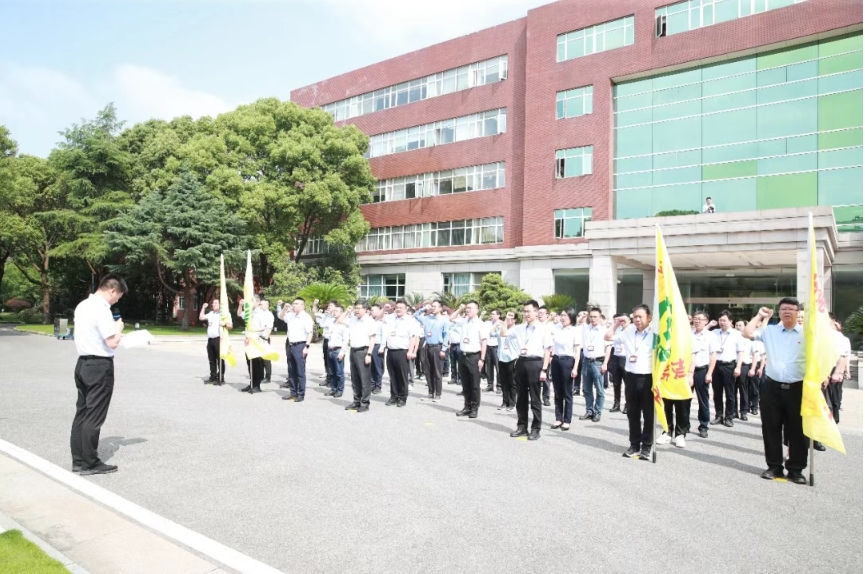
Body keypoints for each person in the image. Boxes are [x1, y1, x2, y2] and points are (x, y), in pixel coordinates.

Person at [742, 300, 808, 484]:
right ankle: (774, 466)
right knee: (771, 428)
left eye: (791, 309)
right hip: (772, 388)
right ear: (779, 312)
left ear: (797, 312)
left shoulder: (807, 334)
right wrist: (759, 315)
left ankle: (796, 469)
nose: (787, 311)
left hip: (798, 388)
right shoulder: (769, 331)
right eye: (783, 308)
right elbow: (746, 333)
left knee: (798, 430)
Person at [70, 274, 128, 475]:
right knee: (94, 415)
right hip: (99, 365)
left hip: (83, 363)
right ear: (112, 290)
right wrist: (118, 328)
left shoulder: (83, 305)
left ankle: (78, 460)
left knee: (82, 413)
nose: (117, 300)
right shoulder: (102, 309)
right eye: (118, 296)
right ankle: (90, 462)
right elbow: (112, 342)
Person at [606, 304, 655, 461]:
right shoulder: (628, 331)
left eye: (641, 316)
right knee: (632, 414)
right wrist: (616, 323)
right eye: (635, 317)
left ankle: (647, 447)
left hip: (648, 378)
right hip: (631, 377)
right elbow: (607, 337)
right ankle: (634, 444)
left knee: (648, 415)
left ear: (649, 318)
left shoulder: (655, 334)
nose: (637, 319)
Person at [509, 300, 552, 441]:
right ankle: (522, 426)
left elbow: (547, 350)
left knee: (535, 397)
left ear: (536, 312)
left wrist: (544, 369)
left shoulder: (543, 328)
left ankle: (535, 428)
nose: (526, 314)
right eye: (524, 311)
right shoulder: (520, 328)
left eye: (529, 311)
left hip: (535, 363)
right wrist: (507, 320)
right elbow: (503, 333)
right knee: (521, 397)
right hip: (521, 361)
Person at [706, 310, 743, 427]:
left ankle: (729, 417)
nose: (722, 322)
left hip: (729, 366)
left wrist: (738, 367)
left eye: (724, 320)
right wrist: (709, 325)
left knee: (730, 393)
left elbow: (741, 352)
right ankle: (718, 416)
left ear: (731, 321)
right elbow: (702, 333)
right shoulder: (714, 333)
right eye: (720, 320)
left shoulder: (736, 334)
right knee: (717, 393)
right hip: (716, 365)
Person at [454, 301, 489, 418]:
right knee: (465, 383)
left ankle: (474, 408)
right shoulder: (464, 321)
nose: (467, 310)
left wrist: (482, 359)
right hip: (463, 355)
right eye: (467, 308)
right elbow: (451, 318)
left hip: (474, 356)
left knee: (474, 384)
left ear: (477, 310)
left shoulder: (481, 324)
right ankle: (467, 406)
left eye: (470, 308)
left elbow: (484, 342)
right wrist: (460, 309)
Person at [384, 299, 421, 407]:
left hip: (402, 351)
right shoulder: (391, 318)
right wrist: (384, 308)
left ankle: (402, 397)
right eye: (397, 307)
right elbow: (378, 317)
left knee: (402, 376)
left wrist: (411, 351)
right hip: (391, 351)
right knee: (392, 375)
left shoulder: (410, 321)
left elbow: (413, 337)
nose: (398, 309)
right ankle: (394, 396)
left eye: (401, 308)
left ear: (406, 309)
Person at [550, 307, 580, 430]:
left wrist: (575, 368)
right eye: (561, 315)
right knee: (557, 391)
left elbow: (577, 351)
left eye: (565, 316)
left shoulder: (575, 331)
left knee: (567, 392)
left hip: (568, 361)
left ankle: (567, 420)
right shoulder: (556, 328)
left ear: (571, 317)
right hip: (556, 360)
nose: (562, 318)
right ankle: (558, 418)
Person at [345, 300, 377, 412]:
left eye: (359, 308)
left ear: (365, 309)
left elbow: (373, 338)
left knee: (364, 378)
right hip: (353, 350)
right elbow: (340, 320)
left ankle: (365, 403)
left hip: (363, 351)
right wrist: (347, 311)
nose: (356, 310)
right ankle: (356, 401)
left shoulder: (369, 321)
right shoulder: (353, 319)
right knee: (355, 378)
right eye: (355, 308)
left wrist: (369, 354)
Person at [279, 298, 314, 402]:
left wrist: (306, 347)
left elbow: (310, 333)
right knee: (291, 370)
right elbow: (281, 316)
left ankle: (301, 394)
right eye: (293, 303)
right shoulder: (291, 315)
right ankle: (293, 392)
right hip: (290, 345)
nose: (294, 305)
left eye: (296, 304)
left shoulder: (306, 317)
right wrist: (284, 309)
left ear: (302, 305)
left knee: (300, 371)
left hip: (300, 345)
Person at [689, 311, 717, 439]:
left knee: (703, 400)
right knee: (685, 399)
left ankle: (703, 426)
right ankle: (684, 425)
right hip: (688, 371)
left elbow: (713, 356)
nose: (697, 321)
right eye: (695, 318)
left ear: (706, 321)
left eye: (699, 319)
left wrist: (709, 373)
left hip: (702, 370)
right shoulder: (689, 334)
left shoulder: (711, 336)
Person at [238, 294, 272, 394]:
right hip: (249, 340)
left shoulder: (262, 313)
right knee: (250, 363)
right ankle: (252, 383)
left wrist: (251, 330)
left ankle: (257, 385)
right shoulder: (249, 312)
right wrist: (240, 305)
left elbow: (263, 327)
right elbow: (239, 314)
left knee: (257, 364)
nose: (249, 303)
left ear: (257, 302)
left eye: (251, 301)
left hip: (257, 339)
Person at [579, 307, 609, 423]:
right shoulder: (585, 328)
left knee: (600, 390)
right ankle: (589, 411)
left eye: (595, 317)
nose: (593, 319)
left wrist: (605, 364)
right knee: (587, 389)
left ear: (600, 317)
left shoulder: (604, 330)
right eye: (591, 317)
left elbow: (608, 348)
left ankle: (597, 412)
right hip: (586, 361)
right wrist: (584, 315)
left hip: (598, 362)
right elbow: (578, 322)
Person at [415, 301, 449, 401]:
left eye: (435, 306)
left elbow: (446, 335)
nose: (433, 308)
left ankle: (438, 394)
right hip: (427, 347)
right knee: (427, 371)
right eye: (432, 306)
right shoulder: (427, 318)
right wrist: (424, 309)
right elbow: (415, 315)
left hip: (437, 347)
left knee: (437, 372)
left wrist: (444, 349)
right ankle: (430, 392)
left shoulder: (444, 320)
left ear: (440, 308)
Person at [199, 298, 227, 385]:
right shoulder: (211, 313)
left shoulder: (222, 314)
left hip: (218, 339)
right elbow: (201, 317)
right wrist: (203, 308)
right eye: (213, 303)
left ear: (220, 305)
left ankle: (221, 377)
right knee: (212, 360)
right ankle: (213, 377)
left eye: (215, 303)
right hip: (210, 339)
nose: (213, 304)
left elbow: (229, 324)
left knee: (220, 359)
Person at [606, 313, 629, 413]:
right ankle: (616, 403)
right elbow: (608, 337)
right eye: (621, 320)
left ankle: (628, 404)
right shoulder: (618, 330)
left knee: (628, 384)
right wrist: (616, 324)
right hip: (616, 357)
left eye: (624, 320)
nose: (622, 322)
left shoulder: (632, 330)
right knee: (616, 383)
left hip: (626, 358)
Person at [496, 311, 519, 412]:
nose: (508, 319)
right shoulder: (503, 328)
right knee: (503, 381)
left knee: (512, 382)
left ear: (515, 320)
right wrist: (505, 321)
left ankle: (512, 403)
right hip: (502, 357)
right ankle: (505, 401)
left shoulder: (516, 330)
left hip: (512, 358)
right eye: (507, 317)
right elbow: (499, 334)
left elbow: (505, 334)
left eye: (511, 317)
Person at [312, 299, 336, 389]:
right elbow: (315, 313)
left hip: (333, 341)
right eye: (329, 306)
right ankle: (328, 378)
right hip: (326, 340)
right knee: (326, 360)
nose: (329, 307)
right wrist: (315, 304)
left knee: (332, 361)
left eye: (331, 306)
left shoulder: (337, 317)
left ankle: (333, 380)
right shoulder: (326, 316)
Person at [734, 320, 755, 421]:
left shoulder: (749, 340)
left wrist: (753, 368)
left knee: (743, 389)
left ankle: (744, 411)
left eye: (740, 325)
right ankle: (733, 411)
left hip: (744, 366)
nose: (738, 327)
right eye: (736, 325)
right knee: (732, 390)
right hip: (733, 365)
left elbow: (755, 355)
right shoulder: (732, 338)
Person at [325, 305, 347, 398]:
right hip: (330, 350)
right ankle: (333, 388)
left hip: (337, 350)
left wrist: (342, 352)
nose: (334, 312)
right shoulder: (332, 323)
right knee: (332, 372)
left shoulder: (344, 325)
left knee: (339, 372)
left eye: (337, 311)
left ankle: (340, 390)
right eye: (334, 311)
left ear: (342, 313)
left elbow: (345, 340)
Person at [537, 306, 553, 406]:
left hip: (546, 355)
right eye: (539, 313)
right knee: (535, 378)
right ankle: (535, 397)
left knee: (546, 377)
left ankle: (546, 397)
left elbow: (553, 342)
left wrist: (551, 355)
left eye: (542, 313)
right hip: (536, 355)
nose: (540, 315)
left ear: (547, 315)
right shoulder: (535, 325)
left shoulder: (551, 326)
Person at [483, 310, 501, 392]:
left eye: (494, 314)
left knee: (498, 367)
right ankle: (490, 384)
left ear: (498, 315)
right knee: (489, 367)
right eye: (491, 314)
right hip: (488, 346)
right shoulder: (488, 323)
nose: (492, 315)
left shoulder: (501, 324)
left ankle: (499, 385)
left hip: (496, 347)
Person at [370, 304, 386, 394]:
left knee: (378, 367)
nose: (371, 312)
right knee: (371, 366)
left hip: (377, 346)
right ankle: (372, 384)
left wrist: (382, 347)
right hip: (370, 346)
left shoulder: (381, 323)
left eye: (373, 310)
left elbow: (384, 336)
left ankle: (378, 386)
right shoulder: (371, 322)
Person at [259, 300, 274, 383]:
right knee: (259, 358)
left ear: (267, 305)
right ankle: (260, 376)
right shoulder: (259, 313)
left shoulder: (269, 315)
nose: (260, 305)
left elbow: (269, 327)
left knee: (266, 359)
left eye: (262, 304)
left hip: (264, 337)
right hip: (258, 338)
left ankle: (268, 377)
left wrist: (266, 338)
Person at [447, 316, 463, 386]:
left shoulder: (460, 325)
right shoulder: (451, 325)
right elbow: (449, 334)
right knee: (452, 362)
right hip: (452, 344)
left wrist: (455, 325)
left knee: (460, 363)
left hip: (459, 344)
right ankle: (453, 377)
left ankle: (460, 378)